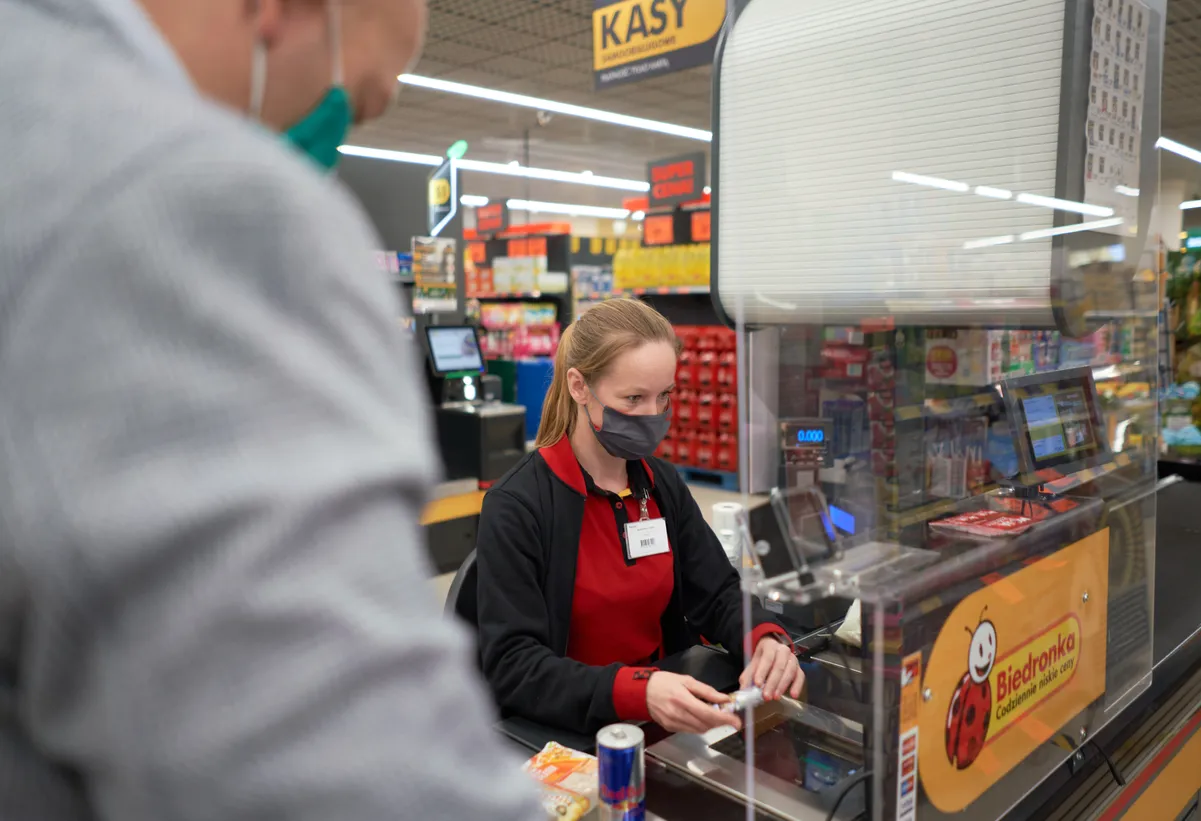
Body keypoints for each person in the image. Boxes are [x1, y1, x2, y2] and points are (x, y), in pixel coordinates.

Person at [0, 1, 540, 819]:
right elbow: (359, 777)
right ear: (285, 11)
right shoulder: (192, 200)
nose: (331, 141)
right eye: (354, 102)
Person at [476, 300, 804, 737]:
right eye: (633, 398)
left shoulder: (660, 484)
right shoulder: (519, 504)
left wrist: (761, 636)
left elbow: (717, 591)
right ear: (579, 386)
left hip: (667, 715)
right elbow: (513, 666)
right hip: (574, 734)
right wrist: (637, 691)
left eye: (663, 396)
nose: (653, 416)